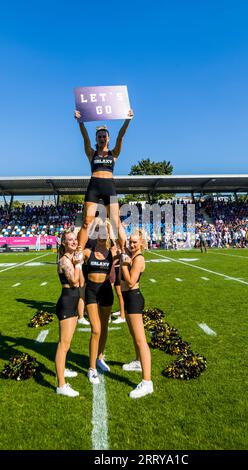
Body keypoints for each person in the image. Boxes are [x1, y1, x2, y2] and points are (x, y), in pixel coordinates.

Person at [74, 109, 133, 254]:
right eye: (99, 136)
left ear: (108, 138)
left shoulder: (114, 153)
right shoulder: (91, 153)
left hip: (109, 187)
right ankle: (79, 252)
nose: (102, 138)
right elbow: (85, 138)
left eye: (104, 136)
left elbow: (121, 136)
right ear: (97, 139)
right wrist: (80, 122)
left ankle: (123, 251)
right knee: (87, 221)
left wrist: (128, 119)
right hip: (94, 186)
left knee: (116, 222)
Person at [121, 230, 153, 399]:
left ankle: (147, 382)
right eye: (130, 242)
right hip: (128, 298)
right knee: (134, 335)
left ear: (141, 243)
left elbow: (131, 281)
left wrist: (125, 265)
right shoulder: (131, 255)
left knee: (141, 340)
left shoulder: (138, 258)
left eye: (134, 242)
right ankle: (138, 362)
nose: (131, 245)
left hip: (134, 298)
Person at [83, 220, 116, 384]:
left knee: (104, 327)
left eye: (105, 234)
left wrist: (111, 224)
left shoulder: (112, 252)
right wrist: (92, 223)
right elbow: (81, 242)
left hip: (106, 292)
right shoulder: (88, 252)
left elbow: (123, 244)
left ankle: (100, 357)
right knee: (95, 329)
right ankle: (91, 368)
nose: (102, 237)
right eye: (100, 234)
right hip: (91, 291)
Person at [55, 230, 84, 398]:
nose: (73, 242)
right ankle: (61, 385)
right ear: (64, 243)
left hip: (73, 301)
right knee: (63, 344)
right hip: (66, 302)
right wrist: (78, 264)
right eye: (70, 240)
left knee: (67, 343)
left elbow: (80, 282)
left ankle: (63, 370)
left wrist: (78, 263)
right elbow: (74, 281)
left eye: (74, 239)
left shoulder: (71, 259)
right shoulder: (64, 261)